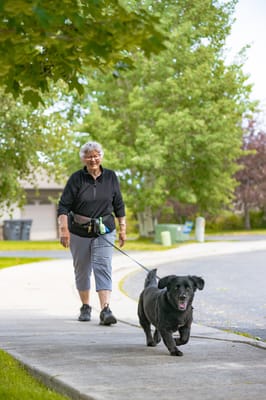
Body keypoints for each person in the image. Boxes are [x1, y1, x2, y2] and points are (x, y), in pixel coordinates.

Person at [57, 141, 126, 325]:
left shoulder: (111, 176)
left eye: (96, 155)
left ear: (101, 156)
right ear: (83, 159)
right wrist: (64, 229)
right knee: (82, 269)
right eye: (89, 156)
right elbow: (63, 206)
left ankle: (105, 309)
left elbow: (118, 203)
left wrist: (123, 229)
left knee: (103, 266)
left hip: (104, 230)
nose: (93, 159)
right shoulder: (76, 178)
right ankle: (86, 306)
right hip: (79, 231)